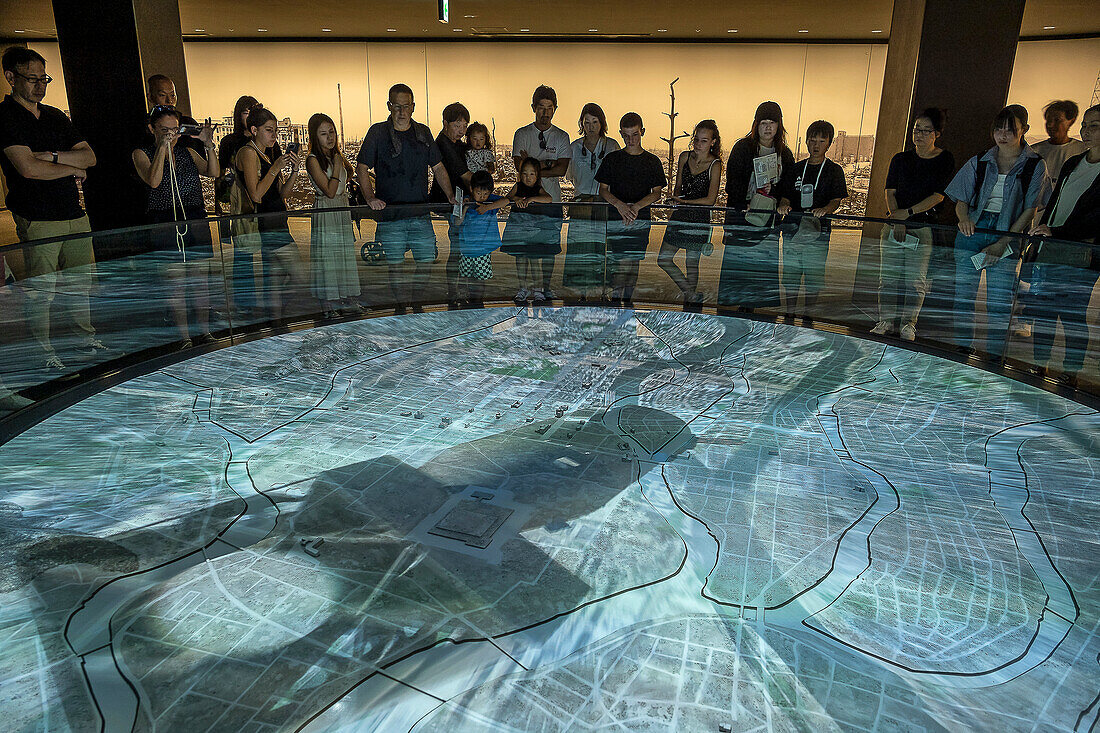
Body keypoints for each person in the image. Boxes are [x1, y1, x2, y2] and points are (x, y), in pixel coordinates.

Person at [0, 46, 103, 370]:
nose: (40, 85)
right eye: (32, 79)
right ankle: (44, 353)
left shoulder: (55, 116)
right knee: (41, 291)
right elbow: (27, 168)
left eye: (44, 78)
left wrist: (52, 157)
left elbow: (90, 157)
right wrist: (71, 168)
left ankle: (83, 340)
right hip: (38, 216)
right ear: (10, 77)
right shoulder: (4, 117)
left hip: (73, 213)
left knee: (78, 285)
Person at [944, 104, 1046, 358]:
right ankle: (962, 349)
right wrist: (964, 218)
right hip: (973, 231)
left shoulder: (1035, 165)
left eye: (1010, 129)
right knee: (963, 297)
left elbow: (1030, 209)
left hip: (1009, 231)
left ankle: (994, 355)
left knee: (1000, 302)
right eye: (998, 129)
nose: (1002, 134)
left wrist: (1004, 241)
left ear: (1024, 130)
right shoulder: (980, 160)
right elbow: (961, 200)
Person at [356, 83, 456, 314]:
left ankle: (416, 303)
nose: (401, 111)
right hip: (392, 216)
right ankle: (402, 308)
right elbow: (362, 167)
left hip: (419, 213)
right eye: (396, 106)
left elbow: (438, 167)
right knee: (395, 268)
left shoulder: (423, 133)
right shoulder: (378, 132)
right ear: (389, 106)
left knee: (426, 262)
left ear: (413, 107)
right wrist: (370, 198)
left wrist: (450, 195)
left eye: (406, 106)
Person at [1024, 103, 1100, 385]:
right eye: (1085, 125)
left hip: (1081, 255)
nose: (1086, 131)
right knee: (1043, 311)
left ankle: (1070, 373)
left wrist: (1058, 231)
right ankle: (1039, 365)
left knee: (1072, 315)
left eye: (1094, 126)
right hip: (1052, 248)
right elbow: (1055, 206)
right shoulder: (1073, 163)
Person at [132, 105, 219, 347]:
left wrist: (208, 143)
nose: (171, 135)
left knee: (201, 281)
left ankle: (205, 331)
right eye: (164, 130)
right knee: (176, 284)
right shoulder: (142, 153)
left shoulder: (187, 153)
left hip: (194, 217)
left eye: (175, 130)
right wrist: (162, 147)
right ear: (152, 129)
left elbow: (213, 171)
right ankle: (184, 337)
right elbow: (154, 180)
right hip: (164, 221)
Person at [870, 108, 955, 341]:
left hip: (922, 229)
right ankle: (885, 320)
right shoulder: (901, 159)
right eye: (917, 129)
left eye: (926, 131)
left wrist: (906, 214)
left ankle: (909, 324)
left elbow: (938, 196)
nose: (919, 134)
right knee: (887, 278)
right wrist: (896, 217)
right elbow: (890, 191)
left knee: (916, 281)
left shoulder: (944, 160)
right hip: (894, 225)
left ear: (937, 133)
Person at [719, 101, 796, 311]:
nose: (768, 127)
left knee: (759, 272)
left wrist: (778, 194)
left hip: (767, 222)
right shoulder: (743, 148)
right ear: (756, 124)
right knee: (739, 270)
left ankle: (751, 311)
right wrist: (741, 202)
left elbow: (788, 188)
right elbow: (732, 182)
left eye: (773, 122)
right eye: (764, 122)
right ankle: (732, 313)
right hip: (742, 219)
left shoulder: (785, 154)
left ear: (779, 126)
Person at [236, 105, 307, 320]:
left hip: (277, 222)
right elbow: (256, 194)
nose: (274, 135)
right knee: (301, 278)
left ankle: (276, 321)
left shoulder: (267, 155)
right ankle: (276, 317)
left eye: (275, 130)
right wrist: (276, 167)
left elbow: (282, 194)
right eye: (269, 130)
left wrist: (294, 170)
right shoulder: (248, 153)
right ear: (255, 130)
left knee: (276, 279)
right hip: (269, 226)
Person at [776, 120, 848, 313]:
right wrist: (784, 205)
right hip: (792, 229)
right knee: (791, 275)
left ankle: (807, 316)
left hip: (818, 231)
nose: (816, 145)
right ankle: (789, 314)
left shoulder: (834, 171)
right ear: (806, 141)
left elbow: (836, 200)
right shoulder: (795, 168)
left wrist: (826, 209)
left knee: (813, 277)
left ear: (829, 143)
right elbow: (785, 196)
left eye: (822, 141)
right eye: (812, 140)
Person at [596, 112, 667, 305]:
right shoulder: (612, 159)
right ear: (620, 134)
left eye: (634, 134)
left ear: (642, 132)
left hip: (639, 218)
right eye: (626, 135)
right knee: (620, 264)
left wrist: (634, 207)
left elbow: (657, 192)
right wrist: (620, 206)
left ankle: (623, 303)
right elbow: (603, 190)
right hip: (619, 218)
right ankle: (618, 303)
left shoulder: (652, 161)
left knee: (633, 263)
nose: (630, 139)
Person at [511, 85, 570, 300]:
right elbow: (520, 167)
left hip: (551, 201)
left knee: (548, 247)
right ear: (533, 108)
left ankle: (544, 288)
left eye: (549, 108)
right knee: (522, 248)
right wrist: (548, 164)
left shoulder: (562, 136)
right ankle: (523, 287)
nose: (545, 113)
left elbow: (562, 169)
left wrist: (534, 165)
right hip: (524, 200)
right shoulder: (522, 133)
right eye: (541, 108)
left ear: (555, 109)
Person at [658, 119, 722, 308]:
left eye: (704, 140)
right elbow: (678, 186)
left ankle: (690, 302)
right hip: (680, 215)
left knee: (691, 264)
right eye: (696, 139)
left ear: (713, 142)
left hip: (699, 218)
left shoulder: (715, 165)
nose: (698, 144)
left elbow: (711, 200)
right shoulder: (684, 157)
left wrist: (684, 202)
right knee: (663, 259)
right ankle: (692, 296)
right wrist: (675, 198)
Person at [305, 112, 361, 318]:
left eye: (332, 132)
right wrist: (337, 166)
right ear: (314, 136)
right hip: (327, 210)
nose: (330, 137)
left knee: (343, 255)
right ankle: (328, 304)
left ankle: (347, 298)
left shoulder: (335, 156)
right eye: (323, 134)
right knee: (328, 257)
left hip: (341, 208)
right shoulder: (312, 160)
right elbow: (329, 190)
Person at [564, 102, 619, 301]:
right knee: (579, 251)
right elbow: (570, 177)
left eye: (595, 121)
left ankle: (603, 292)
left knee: (602, 250)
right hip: (581, 203)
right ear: (582, 123)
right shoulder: (574, 147)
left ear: (601, 123)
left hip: (604, 204)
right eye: (586, 122)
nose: (591, 126)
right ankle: (580, 293)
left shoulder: (611, 146)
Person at [218, 95, 264, 317]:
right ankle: (245, 303)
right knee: (243, 256)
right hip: (241, 202)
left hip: (262, 202)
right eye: (247, 111)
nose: (251, 114)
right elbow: (219, 173)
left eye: (254, 110)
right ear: (239, 115)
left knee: (269, 252)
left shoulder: (264, 137)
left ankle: (267, 300)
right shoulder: (230, 141)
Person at [431, 102, 473, 308]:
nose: (462, 130)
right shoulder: (444, 145)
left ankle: (457, 290)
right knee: (458, 249)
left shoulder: (456, 144)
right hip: (453, 203)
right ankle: (454, 291)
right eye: (458, 125)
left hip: (460, 202)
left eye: (465, 126)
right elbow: (465, 176)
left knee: (461, 249)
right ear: (445, 123)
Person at [500, 157, 554, 303]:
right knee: (520, 259)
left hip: (532, 231)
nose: (527, 177)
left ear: (537, 176)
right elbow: (507, 198)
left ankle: (537, 290)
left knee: (534, 260)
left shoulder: (538, 190)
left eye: (531, 174)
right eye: (524, 174)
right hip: (519, 230)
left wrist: (531, 199)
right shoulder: (517, 187)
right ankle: (523, 288)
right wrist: (516, 199)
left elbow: (548, 199)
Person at [458, 170, 509, 308]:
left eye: (485, 193)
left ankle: (477, 302)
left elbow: (506, 200)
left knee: (480, 280)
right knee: (466, 278)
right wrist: (464, 208)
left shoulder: (490, 202)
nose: (482, 197)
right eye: (479, 193)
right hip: (466, 250)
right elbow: (457, 221)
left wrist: (488, 207)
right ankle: (468, 300)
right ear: (471, 189)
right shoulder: (465, 202)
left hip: (482, 251)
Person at [1031, 100, 1087, 182]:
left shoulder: (1083, 151)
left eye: (1057, 120)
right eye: (1048, 120)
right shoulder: (1034, 151)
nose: (1050, 125)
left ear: (1071, 121)